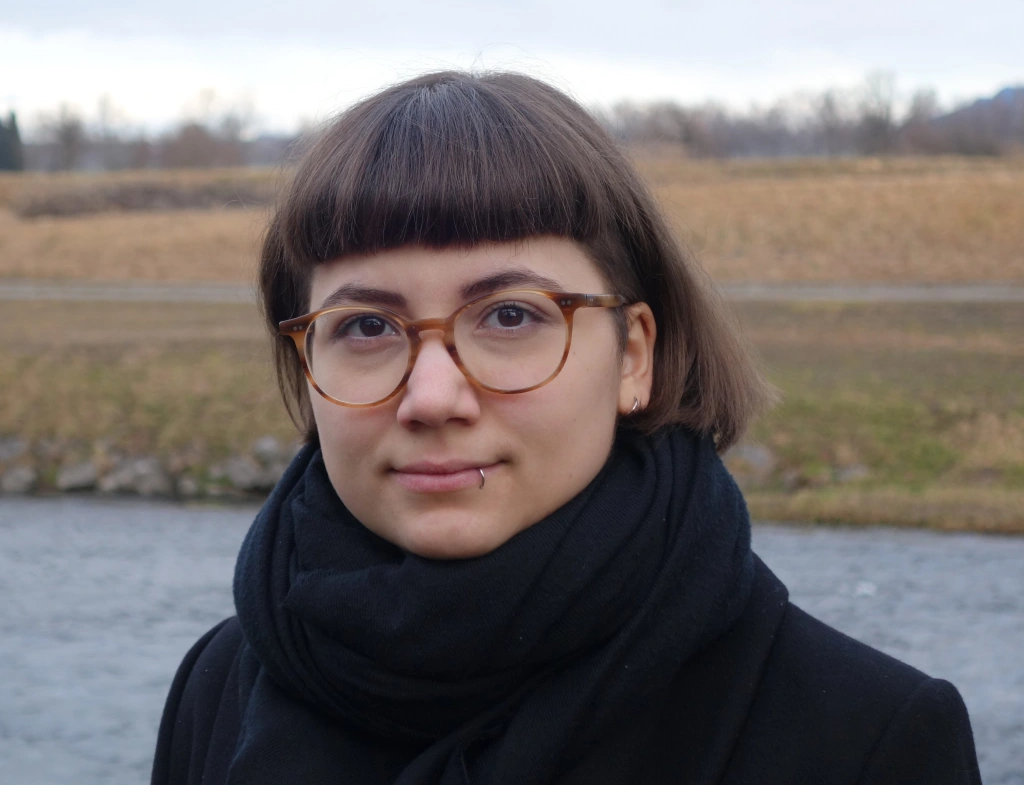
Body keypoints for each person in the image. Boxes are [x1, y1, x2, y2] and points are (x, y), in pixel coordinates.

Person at [152, 71, 981, 785]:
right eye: (365, 327)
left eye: (510, 315)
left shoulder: (867, 737)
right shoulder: (218, 686)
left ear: (633, 357)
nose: (432, 397)